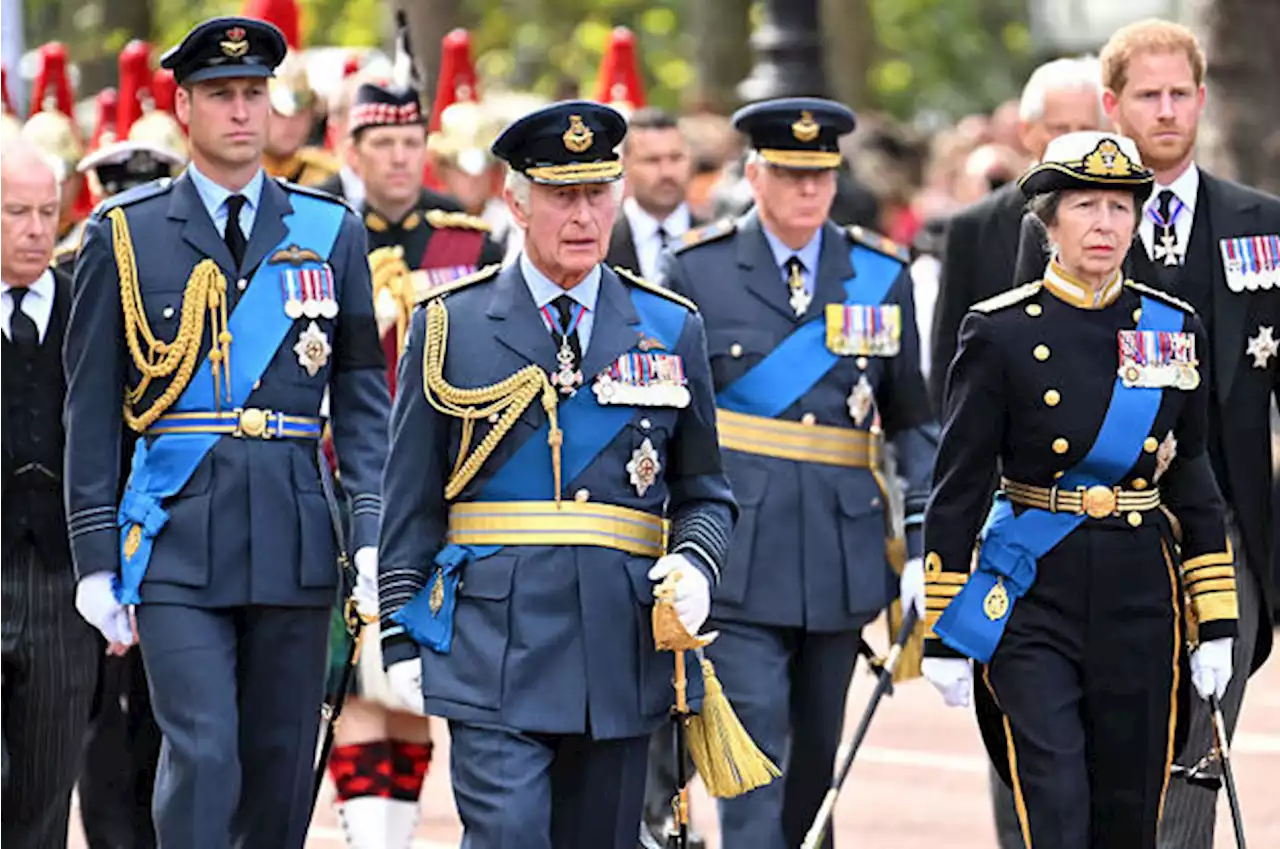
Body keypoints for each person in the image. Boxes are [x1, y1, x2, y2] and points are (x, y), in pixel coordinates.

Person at [63, 17, 390, 849]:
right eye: (220, 94)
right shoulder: (126, 234)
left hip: (294, 532)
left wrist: (372, 534)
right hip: (174, 533)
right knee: (204, 753)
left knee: (281, 761)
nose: (240, 111)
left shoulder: (330, 230)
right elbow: (93, 408)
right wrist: (96, 558)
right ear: (183, 106)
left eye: (253, 93)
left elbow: (358, 394)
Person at [376, 100, 736, 849]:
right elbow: (410, 497)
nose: (583, 215)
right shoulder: (451, 324)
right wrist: (400, 633)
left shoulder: (670, 326)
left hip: (619, 641)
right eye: (561, 196)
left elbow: (704, 491)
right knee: (506, 834)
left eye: (597, 193)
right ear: (515, 201)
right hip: (490, 642)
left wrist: (697, 562)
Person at [921, 130, 1237, 849]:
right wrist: (945, 624)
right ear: (1049, 222)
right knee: (1056, 801)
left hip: (1139, 591)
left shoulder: (1173, 330)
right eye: (1087, 206)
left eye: (1121, 208)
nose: (1105, 224)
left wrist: (1215, 619)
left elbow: (1192, 477)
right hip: (1034, 591)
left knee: (1129, 810)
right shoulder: (998, 331)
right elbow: (960, 482)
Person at [1010, 23, 1280, 846]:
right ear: (1111, 105)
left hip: (1220, 531)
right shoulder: (1052, 228)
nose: (1166, 112)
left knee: (1198, 756)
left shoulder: (1262, 226)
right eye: (1147, 95)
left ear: (1201, 99)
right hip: (1083, 530)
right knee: (1086, 760)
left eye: (1179, 94)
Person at [658, 97, 935, 849]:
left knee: (816, 775)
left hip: (840, 559)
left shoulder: (879, 273)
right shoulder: (696, 268)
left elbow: (913, 420)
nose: (808, 189)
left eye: (820, 174)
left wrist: (922, 542)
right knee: (754, 769)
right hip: (737, 553)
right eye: (788, 174)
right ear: (754, 174)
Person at [322, 63, 503, 847]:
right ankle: (376, 835)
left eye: (410, 140)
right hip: (343, 483)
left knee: (425, 673)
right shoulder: (316, 230)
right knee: (357, 678)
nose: (399, 157)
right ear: (349, 146)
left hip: (448, 491)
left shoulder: (469, 237)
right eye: (381, 142)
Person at [69, 137, 186, 849]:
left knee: (170, 717)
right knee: (100, 723)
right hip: (99, 524)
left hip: (172, 525)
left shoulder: (193, 283)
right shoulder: (72, 271)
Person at [0, 136, 98, 849]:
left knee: (44, 791)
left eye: (46, 212)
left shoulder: (86, 307)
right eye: (15, 213)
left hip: (62, 583)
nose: (37, 229)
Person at [929, 55, 1103, 414]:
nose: (1072, 143)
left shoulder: (1125, 221)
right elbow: (949, 356)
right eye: (1059, 129)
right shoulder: (972, 227)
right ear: (1027, 131)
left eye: (1085, 129)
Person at [607, 106, 701, 283]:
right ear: (624, 165)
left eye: (676, 158)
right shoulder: (601, 244)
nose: (667, 172)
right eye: (652, 160)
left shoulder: (720, 244)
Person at [263, 51, 341, 187]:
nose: (290, 123)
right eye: (278, 113)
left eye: (301, 113)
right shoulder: (233, 173)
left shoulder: (330, 175)